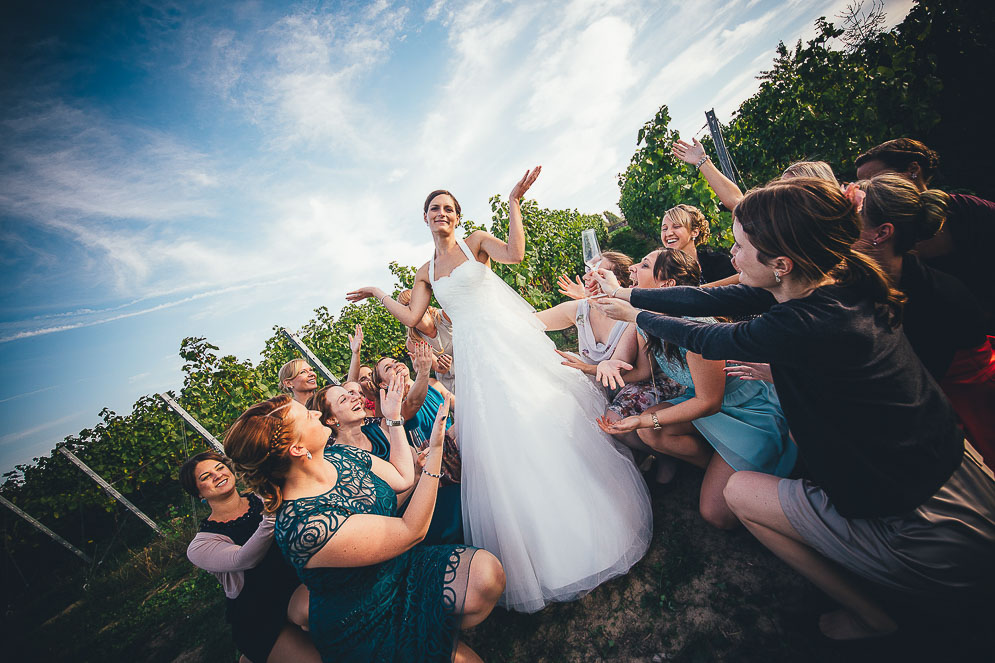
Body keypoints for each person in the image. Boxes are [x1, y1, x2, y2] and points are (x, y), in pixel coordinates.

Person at [591, 176, 995, 640]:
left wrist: (636, 315)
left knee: (739, 494)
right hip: (959, 475)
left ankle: (872, 615)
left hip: (927, 525)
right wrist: (627, 294)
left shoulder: (801, 323)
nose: (732, 254)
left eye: (740, 246)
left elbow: (708, 334)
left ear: (780, 263)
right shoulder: (828, 280)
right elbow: (707, 299)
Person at [345, 168, 653, 613]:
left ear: (458, 215)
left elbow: (515, 254)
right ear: (425, 218)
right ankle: (543, 545)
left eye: (448, 208)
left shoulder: (476, 243)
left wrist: (513, 203)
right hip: (474, 355)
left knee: (541, 412)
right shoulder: (424, 270)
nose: (442, 214)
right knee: (501, 435)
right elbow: (414, 317)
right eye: (434, 209)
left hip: (508, 340)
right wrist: (377, 291)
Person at [224, 392, 503, 663]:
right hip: (366, 618)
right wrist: (436, 453)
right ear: (298, 449)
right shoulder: (306, 526)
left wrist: (394, 418)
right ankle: (422, 639)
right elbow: (411, 530)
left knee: (488, 576)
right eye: (308, 416)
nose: (317, 413)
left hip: (403, 569)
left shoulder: (340, 455)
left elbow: (403, 477)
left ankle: (432, 629)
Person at [582, 248, 795, 529]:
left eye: (644, 264)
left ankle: (738, 470)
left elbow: (710, 402)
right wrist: (592, 367)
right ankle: (713, 467)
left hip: (746, 409)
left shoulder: (695, 327)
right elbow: (644, 371)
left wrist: (645, 417)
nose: (633, 267)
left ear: (666, 285)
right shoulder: (646, 319)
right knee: (651, 432)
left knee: (715, 514)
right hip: (703, 399)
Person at [853, 174, 994, 465]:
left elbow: (907, 382)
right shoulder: (875, 275)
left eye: (848, 221)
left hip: (967, 400)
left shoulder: (936, 298)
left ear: (881, 233)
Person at [182, 451, 319, 663]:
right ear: (198, 493)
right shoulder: (201, 544)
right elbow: (242, 559)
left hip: (296, 584)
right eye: (206, 477)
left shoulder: (261, 496)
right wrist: (272, 515)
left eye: (220, 468)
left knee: (323, 618)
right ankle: (256, 654)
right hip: (258, 612)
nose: (217, 475)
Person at [855, 138, 995, 327]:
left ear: (913, 170)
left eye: (874, 177)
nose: (869, 187)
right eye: (862, 181)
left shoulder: (968, 210)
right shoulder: (870, 233)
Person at [310, 378, 464, 544]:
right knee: (458, 508)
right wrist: (417, 476)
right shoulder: (341, 461)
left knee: (462, 495)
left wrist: (395, 417)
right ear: (331, 420)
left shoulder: (376, 429)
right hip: (397, 522)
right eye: (344, 399)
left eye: (350, 393)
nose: (354, 397)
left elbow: (415, 457)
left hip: (425, 494)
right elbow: (381, 511)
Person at [671, 137, 839, 209]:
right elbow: (738, 203)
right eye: (781, 186)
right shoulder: (775, 224)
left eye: (789, 188)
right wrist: (702, 161)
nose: (780, 193)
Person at [536, 251, 633, 366]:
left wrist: (585, 368)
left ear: (615, 282)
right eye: (588, 271)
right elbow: (527, 322)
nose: (585, 277)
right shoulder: (580, 309)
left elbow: (626, 369)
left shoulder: (632, 315)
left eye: (595, 273)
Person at [396, 289, 456, 394]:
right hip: (449, 385)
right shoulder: (413, 342)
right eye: (406, 306)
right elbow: (439, 368)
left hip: (471, 371)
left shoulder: (444, 317)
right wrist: (442, 365)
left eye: (414, 302)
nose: (412, 308)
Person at [659, 204, 736, 284]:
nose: (668, 233)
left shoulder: (718, 263)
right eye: (664, 229)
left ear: (694, 232)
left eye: (676, 226)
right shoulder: (658, 269)